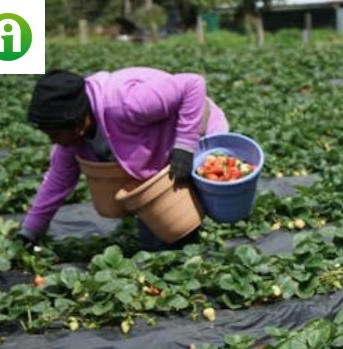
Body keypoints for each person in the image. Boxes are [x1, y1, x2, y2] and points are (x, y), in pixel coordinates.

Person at [16, 68, 229, 251]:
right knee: (154, 242)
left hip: (198, 130)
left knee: (180, 230)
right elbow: (57, 181)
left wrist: (185, 145)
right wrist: (30, 231)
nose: (53, 140)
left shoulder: (128, 103)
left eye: (54, 134)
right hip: (157, 149)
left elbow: (193, 84)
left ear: (78, 124)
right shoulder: (71, 140)